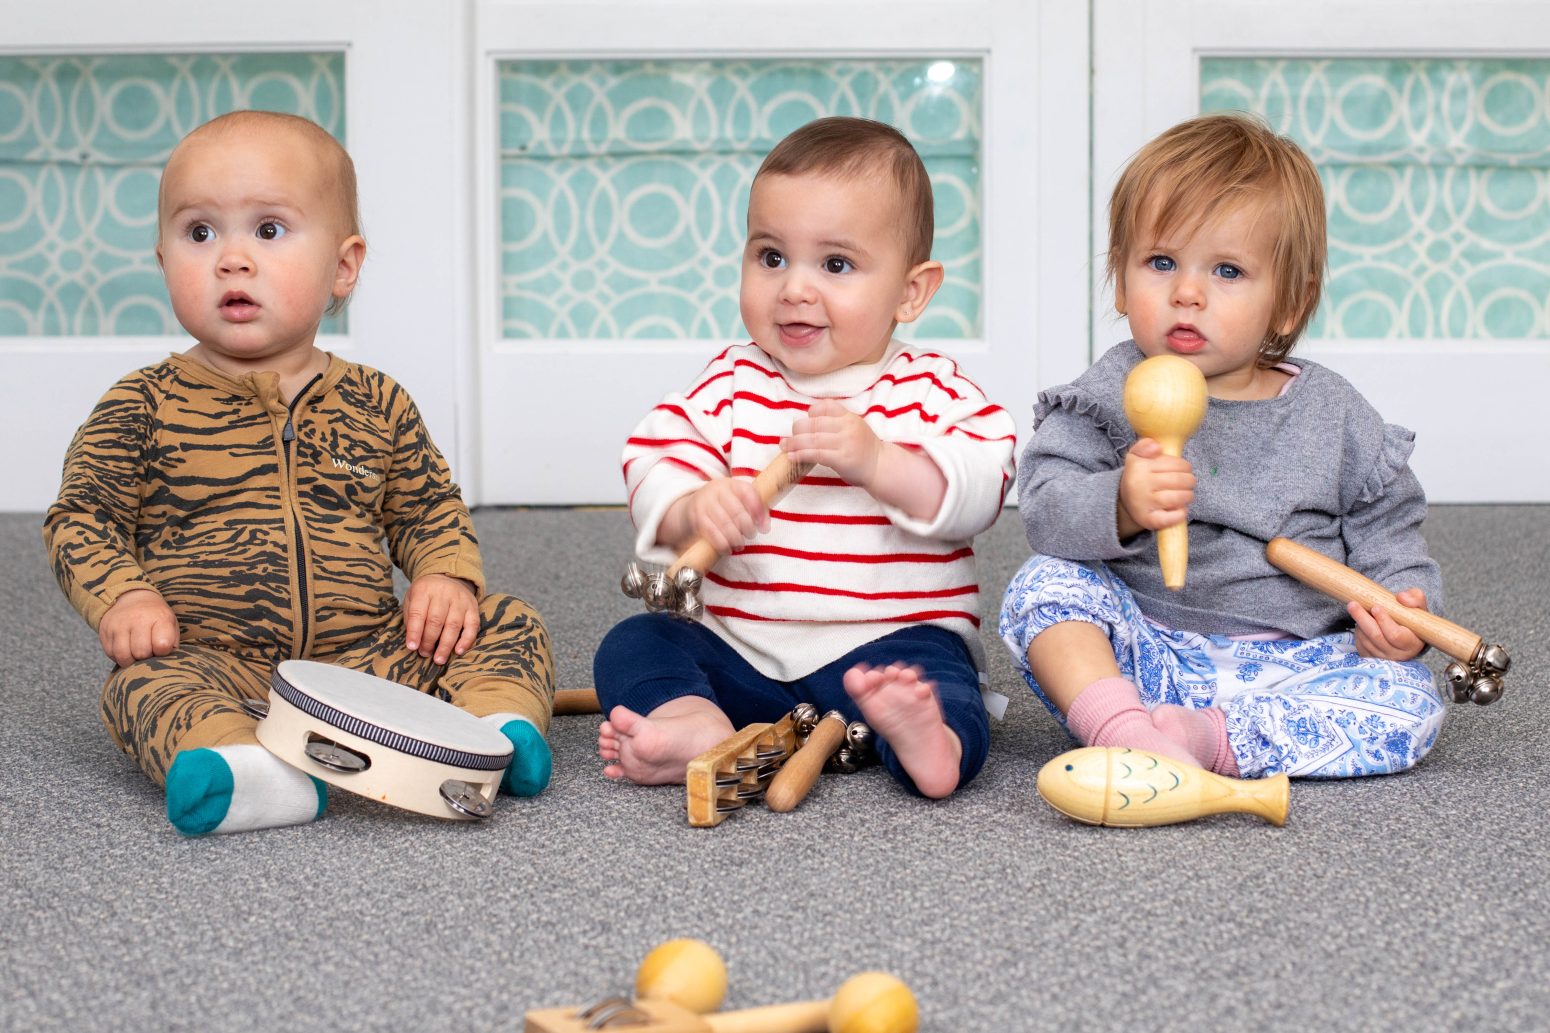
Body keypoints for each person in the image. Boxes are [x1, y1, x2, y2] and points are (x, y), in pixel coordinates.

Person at [43, 111, 554, 836]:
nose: (231, 259)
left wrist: (444, 574)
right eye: (199, 233)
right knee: (139, 687)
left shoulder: (376, 401)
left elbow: (427, 505)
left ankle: (490, 732)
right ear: (163, 262)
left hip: (371, 659)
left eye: (269, 231)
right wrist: (122, 595)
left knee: (507, 619)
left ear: (343, 267)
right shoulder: (143, 403)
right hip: (214, 660)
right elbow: (81, 517)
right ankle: (245, 767)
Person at [1001, 112, 1445, 780]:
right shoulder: (1109, 393)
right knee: (1041, 588)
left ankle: (1211, 740)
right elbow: (1044, 509)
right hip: (1146, 648)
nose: (1187, 292)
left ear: (1289, 305)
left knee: (1411, 705)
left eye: (1228, 271)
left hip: (1298, 664)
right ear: (1121, 281)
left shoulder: (1335, 414)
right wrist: (1118, 501)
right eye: (1160, 262)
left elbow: (1390, 534)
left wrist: (1404, 609)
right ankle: (1120, 728)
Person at [594, 116, 1016, 799]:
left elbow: (986, 477)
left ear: (912, 291)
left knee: (940, 680)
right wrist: (690, 506)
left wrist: (882, 464)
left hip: (885, 648)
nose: (794, 288)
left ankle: (928, 743)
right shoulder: (734, 380)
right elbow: (654, 451)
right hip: (744, 647)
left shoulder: (929, 388)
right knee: (637, 643)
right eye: (771, 257)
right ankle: (696, 721)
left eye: (836, 264)